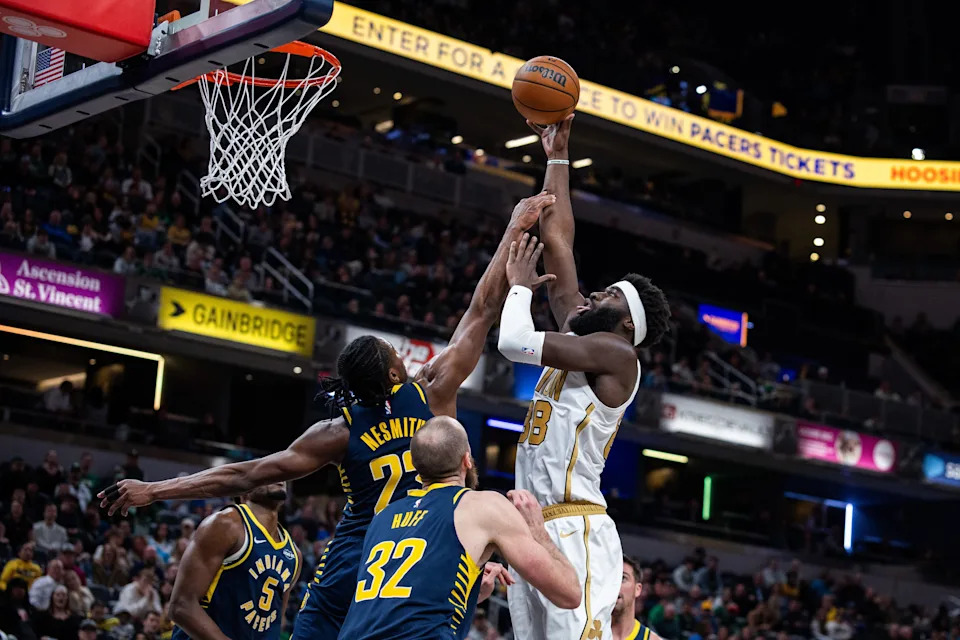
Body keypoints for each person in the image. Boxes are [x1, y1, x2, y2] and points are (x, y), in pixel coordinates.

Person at [99, 192, 557, 639]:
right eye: (394, 352)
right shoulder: (432, 391)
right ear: (397, 370)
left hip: (349, 569)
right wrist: (513, 227)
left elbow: (244, 474)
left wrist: (155, 490)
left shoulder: (338, 431)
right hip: (415, 562)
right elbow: (480, 308)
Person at [498, 115, 671, 640]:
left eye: (612, 296)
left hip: (575, 525)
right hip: (533, 522)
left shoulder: (618, 356)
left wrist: (517, 289)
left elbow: (511, 343)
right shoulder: (585, 337)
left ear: (627, 323)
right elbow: (560, 243)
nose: (596, 295)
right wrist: (557, 155)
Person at [336, 416, 580, 639]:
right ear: (467, 460)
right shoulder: (483, 505)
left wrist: (471, 589)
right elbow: (569, 593)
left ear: (416, 466)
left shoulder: (383, 517)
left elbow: (397, 608)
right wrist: (538, 530)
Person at [168, 482, 300, 640]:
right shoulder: (225, 524)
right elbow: (181, 606)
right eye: (267, 473)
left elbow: (273, 623)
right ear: (243, 493)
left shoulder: (294, 554)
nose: (279, 476)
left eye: (283, 473)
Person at [613, 556, 660, 640]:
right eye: (610, 579)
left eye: (623, 578)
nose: (614, 585)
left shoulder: (651, 638)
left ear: (637, 589)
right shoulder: (586, 632)